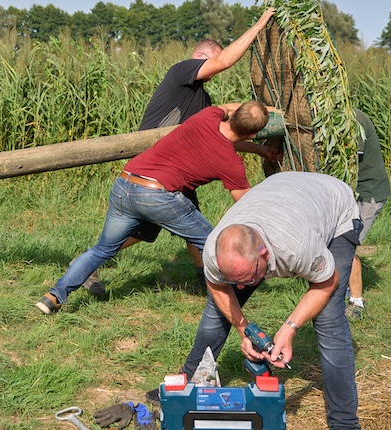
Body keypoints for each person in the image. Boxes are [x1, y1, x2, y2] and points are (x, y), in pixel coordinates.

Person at [79, 8, 278, 296]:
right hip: (156, 166)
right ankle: (209, 279)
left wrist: (259, 149)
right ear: (200, 57)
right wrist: (258, 26)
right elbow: (224, 61)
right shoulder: (182, 71)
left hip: (173, 169)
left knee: (156, 228)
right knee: (184, 226)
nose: (215, 73)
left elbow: (223, 138)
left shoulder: (203, 99)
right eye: (211, 64)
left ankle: (202, 276)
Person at [154, 171, 362, 429]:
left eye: (248, 278)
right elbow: (217, 286)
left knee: (329, 319)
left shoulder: (297, 247)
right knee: (216, 312)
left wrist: (289, 329)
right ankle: (185, 385)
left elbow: (327, 282)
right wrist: (243, 329)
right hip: (279, 193)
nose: (241, 287)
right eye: (235, 279)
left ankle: (344, 422)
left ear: (264, 255)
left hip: (334, 206)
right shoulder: (213, 250)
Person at [36, 100, 270, 315]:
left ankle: (53, 297)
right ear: (253, 134)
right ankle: (227, 303)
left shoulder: (207, 116)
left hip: (125, 182)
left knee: (102, 250)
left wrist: (255, 112)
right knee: (212, 243)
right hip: (157, 196)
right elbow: (245, 202)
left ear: (234, 114)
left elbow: (228, 107)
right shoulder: (231, 162)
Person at [346, 108, 391, 319]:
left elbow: (351, 159)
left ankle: (356, 302)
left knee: (346, 246)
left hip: (367, 193)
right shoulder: (347, 115)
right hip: (355, 192)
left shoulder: (354, 120)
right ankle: (339, 290)